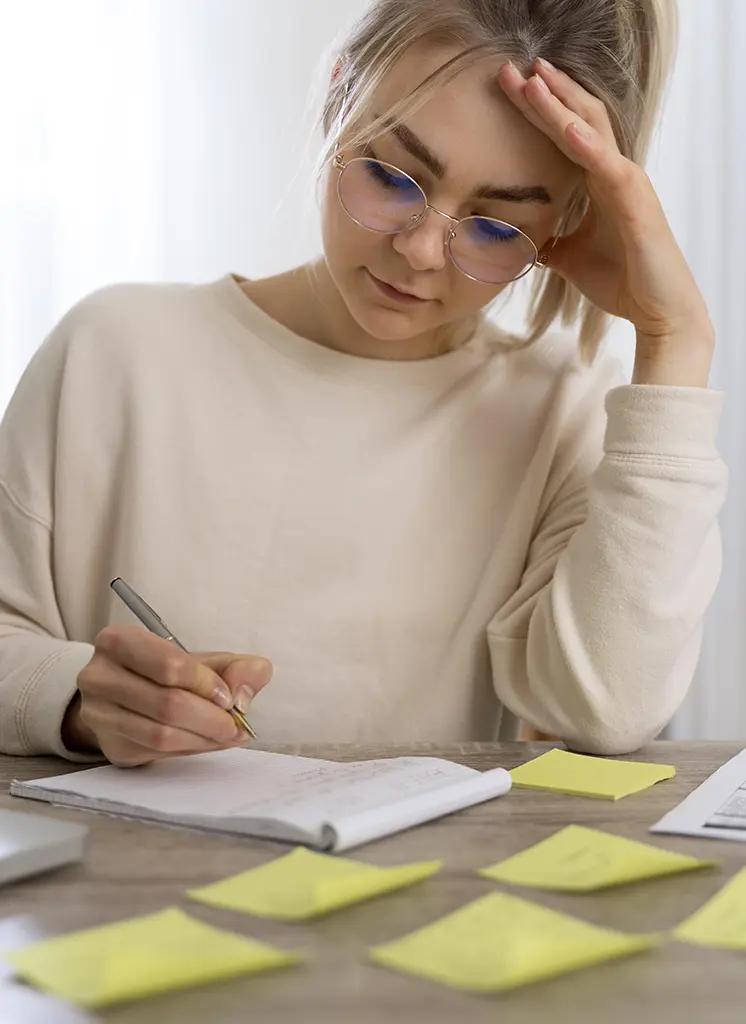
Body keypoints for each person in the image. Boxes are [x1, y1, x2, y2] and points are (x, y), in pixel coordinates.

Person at [0, 0, 726, 768]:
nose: (418, 252)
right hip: (128, 886)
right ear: (337, 101)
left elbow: (606, 711)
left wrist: (676, 343)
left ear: (564, 227)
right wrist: (79, 701)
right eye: (390, 175)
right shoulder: (114, 352)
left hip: (416, 886)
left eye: (494, 226)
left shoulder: (561, 410)